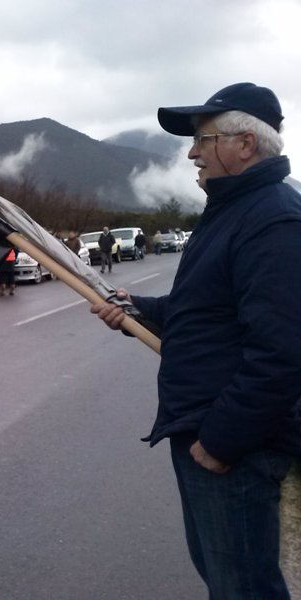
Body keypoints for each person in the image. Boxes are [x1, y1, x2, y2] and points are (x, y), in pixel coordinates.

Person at [91, 83, 301, 599]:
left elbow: (282, 353)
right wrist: (136, 310)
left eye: (202, 139)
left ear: (244, 144)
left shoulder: (273, 220)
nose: (191, 152)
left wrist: (219, 443)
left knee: (242, 590)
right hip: (207, 434)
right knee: (226, 581)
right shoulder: (233, 211)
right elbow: (206, 312)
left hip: (234, 447)